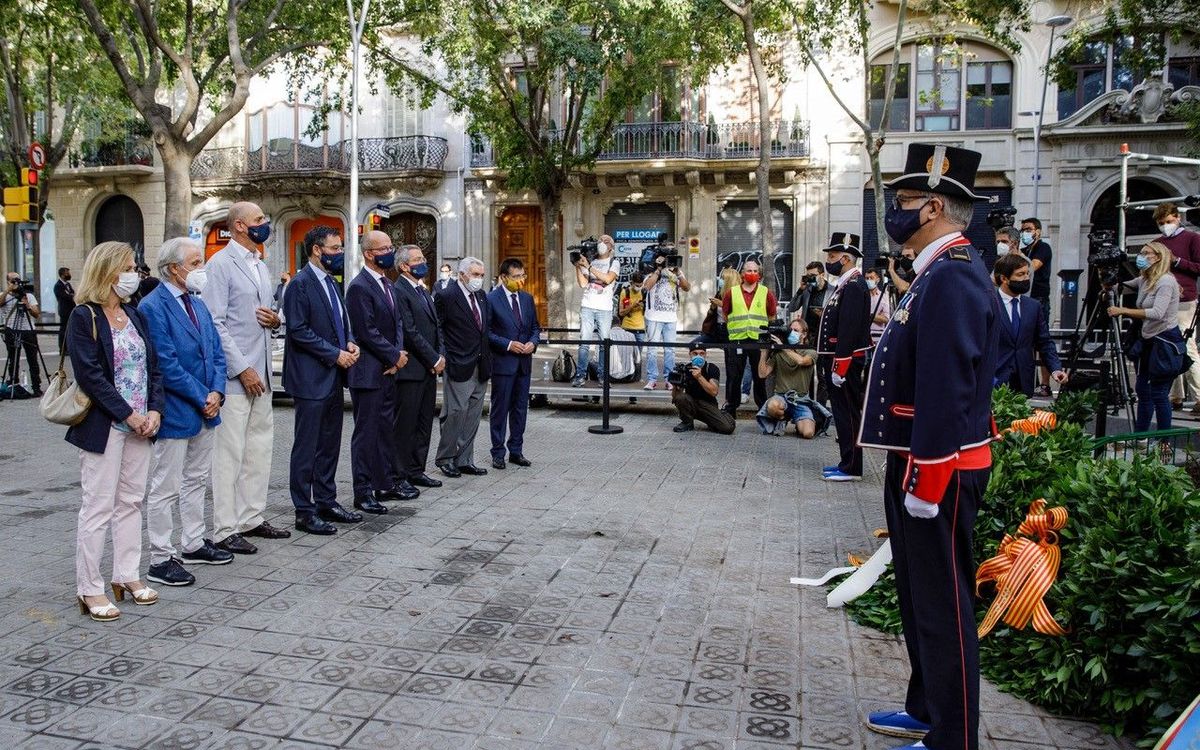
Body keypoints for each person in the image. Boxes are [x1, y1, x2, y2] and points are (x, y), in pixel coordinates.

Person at [859, 143, 1000, 750]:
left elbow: (947, 387)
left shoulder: (953, 275)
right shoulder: (936, 273)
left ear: (935, 207)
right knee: (921, 600)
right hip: (917, 461)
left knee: (945, 608)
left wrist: (928, 478)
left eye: (905, 200)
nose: (895, 211)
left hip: (938, 467)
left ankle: (953, 738)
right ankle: (927, 710)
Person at [65, 241, 165, 621]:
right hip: (105, 425)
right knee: (98, 507)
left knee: (131, 502)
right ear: (108, 271)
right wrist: (129, 414)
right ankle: (89, 588)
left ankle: (127, 575)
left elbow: (153, 368)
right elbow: (90, 376)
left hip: (141, 425)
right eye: (129, 268)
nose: (135, 275)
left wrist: (153, 410)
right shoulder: (83, 316)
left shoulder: (134, 314)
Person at [138, 237, 233, 587]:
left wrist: (217, 391)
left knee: (197, 480)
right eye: (195, 263)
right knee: (166, 486)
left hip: (207, 407)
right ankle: (160, 557)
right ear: (173, 268)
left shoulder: (198, 302)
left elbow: (217, 352)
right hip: (178, 409)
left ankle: (193, 543)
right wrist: (202, 396)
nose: (201, 269)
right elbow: (165, 362)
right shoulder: (153, 306)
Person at [202, 201, 290, 553]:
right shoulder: (220, 264)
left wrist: (277, 320)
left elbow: (265, 315)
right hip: (236, 377)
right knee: (229, 455)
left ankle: (251, 517)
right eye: (258, 219)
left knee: (258, 450)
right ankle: (224, 528)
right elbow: (215, 323)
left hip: (263, 374)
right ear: (239, 225)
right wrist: (242, 368)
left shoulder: (259, 263)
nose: (264, 224)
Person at [283, 226, 363, 534]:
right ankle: (304, 510)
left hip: (333, 376)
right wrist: (335, 354)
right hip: (310, 378)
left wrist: (350, 341)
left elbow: (340, 321)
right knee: (307, 446)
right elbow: (299, 330)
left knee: (329, 444)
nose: (340, 253)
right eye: (335, 248)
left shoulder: (332, 282)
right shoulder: (299, 284)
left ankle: (326, 501)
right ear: (317, 250)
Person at [346, 230, 414, 516]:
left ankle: (384, 483)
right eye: (383, 248)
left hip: (388, 370)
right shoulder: (359, 287)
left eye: (390, 247)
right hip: (368, 373)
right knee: (367, 434)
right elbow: (366, 331)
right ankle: (362, 491)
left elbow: (397, 323)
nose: (389, 252)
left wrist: (397, 356)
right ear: (368, 254)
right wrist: (393, 355)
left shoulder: (388, 283)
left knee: (385, 431)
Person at [1108, 241, 1182, 432]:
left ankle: (1164, 440)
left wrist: (1123, 310)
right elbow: (1117, 288)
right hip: (1148, 340)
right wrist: (1105, 275)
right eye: (1141, 253)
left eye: (1146, 253)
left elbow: (1157, 312)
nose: (1141, 257)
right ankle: (1140, 437)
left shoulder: (1166, 281)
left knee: (1159, 393)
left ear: (1158, 257)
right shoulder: (1144, 280)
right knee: (1142, 390)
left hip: (1164, 341)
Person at [816, 233, 871, 482]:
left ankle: (852, 467)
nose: (829, 261)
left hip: (845, 361)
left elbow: (848, 329)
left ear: (846, 259)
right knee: (842, 413)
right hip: (838, 358)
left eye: (832, 256)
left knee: (848, 413)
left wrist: (840, 366)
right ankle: (846, 462)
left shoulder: (854, 286)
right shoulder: (847, 284)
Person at [393, 245, 445, 489]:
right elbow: (410, 331)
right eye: (417, 259)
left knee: (424, 423)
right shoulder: (399, 290)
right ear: (404, 266)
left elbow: (436, 327)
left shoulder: (423, 290)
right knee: (406, 425)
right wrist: (433, 358)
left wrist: (440, 355)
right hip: (411, 370)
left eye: (423, 257)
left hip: (428, 369)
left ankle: (416, 470)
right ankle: (399, 475)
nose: (423, 262)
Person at [434, 257, 492, 477]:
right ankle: (445, 458)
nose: (479, 279)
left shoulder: (482, 296)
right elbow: (438, 328)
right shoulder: (446, 296)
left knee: (473, 414)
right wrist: (442, 355)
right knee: (456, 412)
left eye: (481, 275)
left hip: (481, 363)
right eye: (475, 274)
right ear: (462, 274)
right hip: (458, 363)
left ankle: (465, 460)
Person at [487, 258, 540, 469]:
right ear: (503, 277)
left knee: (520, 410)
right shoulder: (491, 299)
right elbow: (487, 332)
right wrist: (508, 344)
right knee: (500, 410)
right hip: (503, 364)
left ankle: (516, 451)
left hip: (524, 364)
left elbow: (535, 327)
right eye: (516, 276)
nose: (520, 280)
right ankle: (498, 452)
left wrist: (533, 343)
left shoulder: (527, 299)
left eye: (522, 275)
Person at [992, 253, 1067, 397]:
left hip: (1023, 381)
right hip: (994, 381)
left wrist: (1055, 369)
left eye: (1027, 273)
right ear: (1004, 278)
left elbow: (1044, 342)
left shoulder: (1033, 306)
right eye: (1020, 274)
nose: (1026, 278)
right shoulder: (988, 303)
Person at [1154, 202, 1200, 412]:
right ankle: (1175, 396)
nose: (1166, 226)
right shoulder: (1158, 243)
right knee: (1168, 348)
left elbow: (1198, 267)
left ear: (1178, 218)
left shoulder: (1192, 238)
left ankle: (1198, 395)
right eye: (1162, 223)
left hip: (1184, 300)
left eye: (1169, 221)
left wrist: (1178, 261)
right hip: (1163, 301)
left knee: (1187, 346)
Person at [721, 259, 776, 412]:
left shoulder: (765, 292)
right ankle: (731, 408)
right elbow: (725, 314)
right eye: (749, 271)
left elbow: (772, 315)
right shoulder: (732, 292)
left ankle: (762, 408)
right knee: (734, 375)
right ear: (742, 274)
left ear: (759, 274)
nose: (752, 273)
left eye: (755, 271)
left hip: (758, 340)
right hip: (737, 340)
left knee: (760, 376)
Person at [756, 319, 823, 438]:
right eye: (790, 330)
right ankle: (782, 418)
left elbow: (802, 361)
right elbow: (762, 374)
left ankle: (798, 421)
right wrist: (764, 352)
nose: (792, 333)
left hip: (801, 400)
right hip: (781, 397)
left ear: (804, 334)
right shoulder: (779, 353)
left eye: (796, 330)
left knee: (808, 433)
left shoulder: (810, 351)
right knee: (772, 406)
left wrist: (783, 346)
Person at [572, 235, 620, 387]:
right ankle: (580, 376)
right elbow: (583, 284)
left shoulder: (614, 262)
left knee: (604, 344)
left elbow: (608, 279)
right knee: (584, 342)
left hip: (604, 308)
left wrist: (589, 267)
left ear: (611, 247)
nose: (602, 243)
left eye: (606, 241)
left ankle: (603, 377)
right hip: (587, 305)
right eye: (600, 241)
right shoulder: (590, 260)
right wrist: (578, 266)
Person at [642, 255, 691, 389]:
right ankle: (652, 379)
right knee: (652, 350)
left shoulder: (675, 273)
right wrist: (658, 269)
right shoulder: (651, 271)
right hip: (654, 317)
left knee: (670, 350)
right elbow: (647, 286)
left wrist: (678, 273)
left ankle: (669, 379)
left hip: (670, 317)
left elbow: (687, 287)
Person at [1019, 217, 1054, 396]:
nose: (1025, 233)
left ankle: (1046, 384)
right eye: (1023, 230)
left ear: (1037, 231)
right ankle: (1032, 381)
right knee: (1025, 342)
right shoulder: (1024, 250)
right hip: (1025, 297)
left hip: (1039, 299)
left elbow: (1032, 267)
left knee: (1041, 342)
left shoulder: (1043, 248)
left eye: (1028, 229)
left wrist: (1017, 255)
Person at [671, 342, 735, 434]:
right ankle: (687, 422)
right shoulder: (685, 369)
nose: (698, 356)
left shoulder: (711, 368)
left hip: (708, 405)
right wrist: (675, 385)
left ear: (705, 354)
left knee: (727, 428)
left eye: (701, 353)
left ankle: (722, 416)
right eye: (695, 353)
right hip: (691, 403)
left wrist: (699, 377)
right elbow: (676, 397)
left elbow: (714, 392)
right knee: (681, 397)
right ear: (690, 354)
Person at [1, 271, 42, 395]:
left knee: (33, 359)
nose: (16, 283)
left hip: (28, 330)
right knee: (13, 359)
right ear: (8, 282)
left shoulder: (28, 296)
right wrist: (8, 290)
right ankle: (14, 385)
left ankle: (36, 386)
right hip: (11, 329)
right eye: (13, 280)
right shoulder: (4, 295)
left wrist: (27, 304)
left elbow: (36, 314)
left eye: (17, 280)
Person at [865, 267, 891, 345]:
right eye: (867, 278)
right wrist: (878, 316)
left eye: (871, 278)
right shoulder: (862, 296)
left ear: (878, 280)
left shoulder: (884, 297)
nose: (868, 280)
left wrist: (867, 315)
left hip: (879, 337)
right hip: (864, 336)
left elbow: (886, 319)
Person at [618, 273, 646, 343]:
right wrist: (632, 306)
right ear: (632, 283)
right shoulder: (625, 292)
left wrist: (644, 306)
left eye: (640, 285)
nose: (638, 288)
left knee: (639, 350)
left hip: (641, 329)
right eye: (637, 285)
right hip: (627, 328)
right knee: (627, 350)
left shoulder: (644, 292)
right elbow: (621, 313)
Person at [55, 266, 76, 352]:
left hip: (71, 310)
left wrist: (72, 295)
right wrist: (71, 296)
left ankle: (68, 347)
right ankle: (63, 349)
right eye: (67, 273)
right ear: (62, 275)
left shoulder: (68, 285)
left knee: (69, 329)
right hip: (64, 311)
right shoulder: (58, 286)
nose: (69, 275)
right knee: (63, 330)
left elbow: (72, 293)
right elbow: (66, 297)